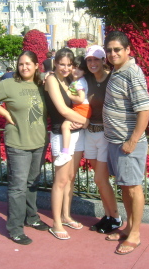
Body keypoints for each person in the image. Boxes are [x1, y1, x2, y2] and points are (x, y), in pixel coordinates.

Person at [0, 51, 49, 245]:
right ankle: (15, 228)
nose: (24, 67)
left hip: (39, 142)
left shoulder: (42, 85)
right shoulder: (9, 84)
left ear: (36, 66)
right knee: (18, 187)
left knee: (32, 182)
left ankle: (32, 217)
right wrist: (4, 113)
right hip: (18, 142)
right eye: (21, 64)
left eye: (28, 64)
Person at [102, 31, 149, 255]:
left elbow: (144, 109)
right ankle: (129, 226)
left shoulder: (132, 73)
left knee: (133, 187)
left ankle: (136, 234)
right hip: (116, 141)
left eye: (117, 50)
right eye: (109, 50)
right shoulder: (117, 71)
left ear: (128, 50)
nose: (113, 54)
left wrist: (132, 140)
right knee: (125, 186)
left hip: (127, 142)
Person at [44, 48, 89, 240]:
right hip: (60, 135)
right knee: (60, 181)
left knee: (70, 177)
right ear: (55, 63)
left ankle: (66, 215)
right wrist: (85, 121)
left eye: (69, 65)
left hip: (76, 134)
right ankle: (56, 223)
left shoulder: (69, 80)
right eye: (62, 64)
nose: (65, 68)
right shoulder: (51, 80)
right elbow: (62, 110)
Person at [83, 45, 122, 234]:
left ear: (103, 60)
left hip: (105, 134)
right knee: (100, 180)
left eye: (96, 59)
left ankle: (116, 217)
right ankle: (107, 216)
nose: (93, 63)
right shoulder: (86, 79)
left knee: (100, 178)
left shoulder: (111, 79)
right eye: (89, 60)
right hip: (89, 133)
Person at [57, 55, 92, 166]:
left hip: (82, 108)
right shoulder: (77, 80)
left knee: (65, 126)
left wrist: (69, 95)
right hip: (81, 108)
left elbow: (80, 98)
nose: (76, 71)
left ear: (84, 72)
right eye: (75, 67)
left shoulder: (80, 82)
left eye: (80, 69)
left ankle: (65, 152)